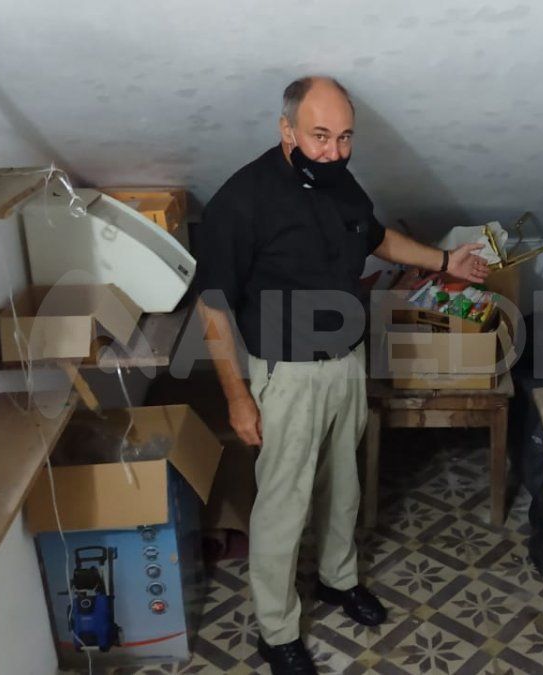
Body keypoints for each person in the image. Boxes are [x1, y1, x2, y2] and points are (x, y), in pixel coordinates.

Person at [193, 75, 491, 674]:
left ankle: (337, 580)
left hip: (346, 364)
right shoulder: (241, 200)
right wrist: (238, 399)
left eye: (344, 137)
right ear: (287, 131)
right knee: (283, 502)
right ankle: (276, 630)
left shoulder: (341, 182)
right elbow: (212, 305)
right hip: (287, 376)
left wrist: (442, 260)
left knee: (342, 485)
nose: (333, 150)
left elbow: (376, 238)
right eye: (320, 136)